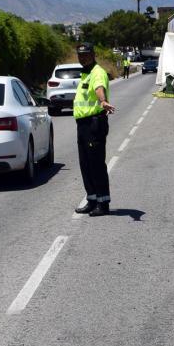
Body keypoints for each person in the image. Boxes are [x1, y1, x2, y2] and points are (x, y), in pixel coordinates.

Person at [72, 43, 115, 217]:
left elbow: (99, 88)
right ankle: (92, 200)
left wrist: (103, 101)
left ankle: (103, 203)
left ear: (93, 55)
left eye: (86, 55)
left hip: (94, 124)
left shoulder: (97, 73)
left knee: (96, 164)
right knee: (85, 164)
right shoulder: (86, 73)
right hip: (83, 125)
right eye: (80, 55)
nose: (83, 57)